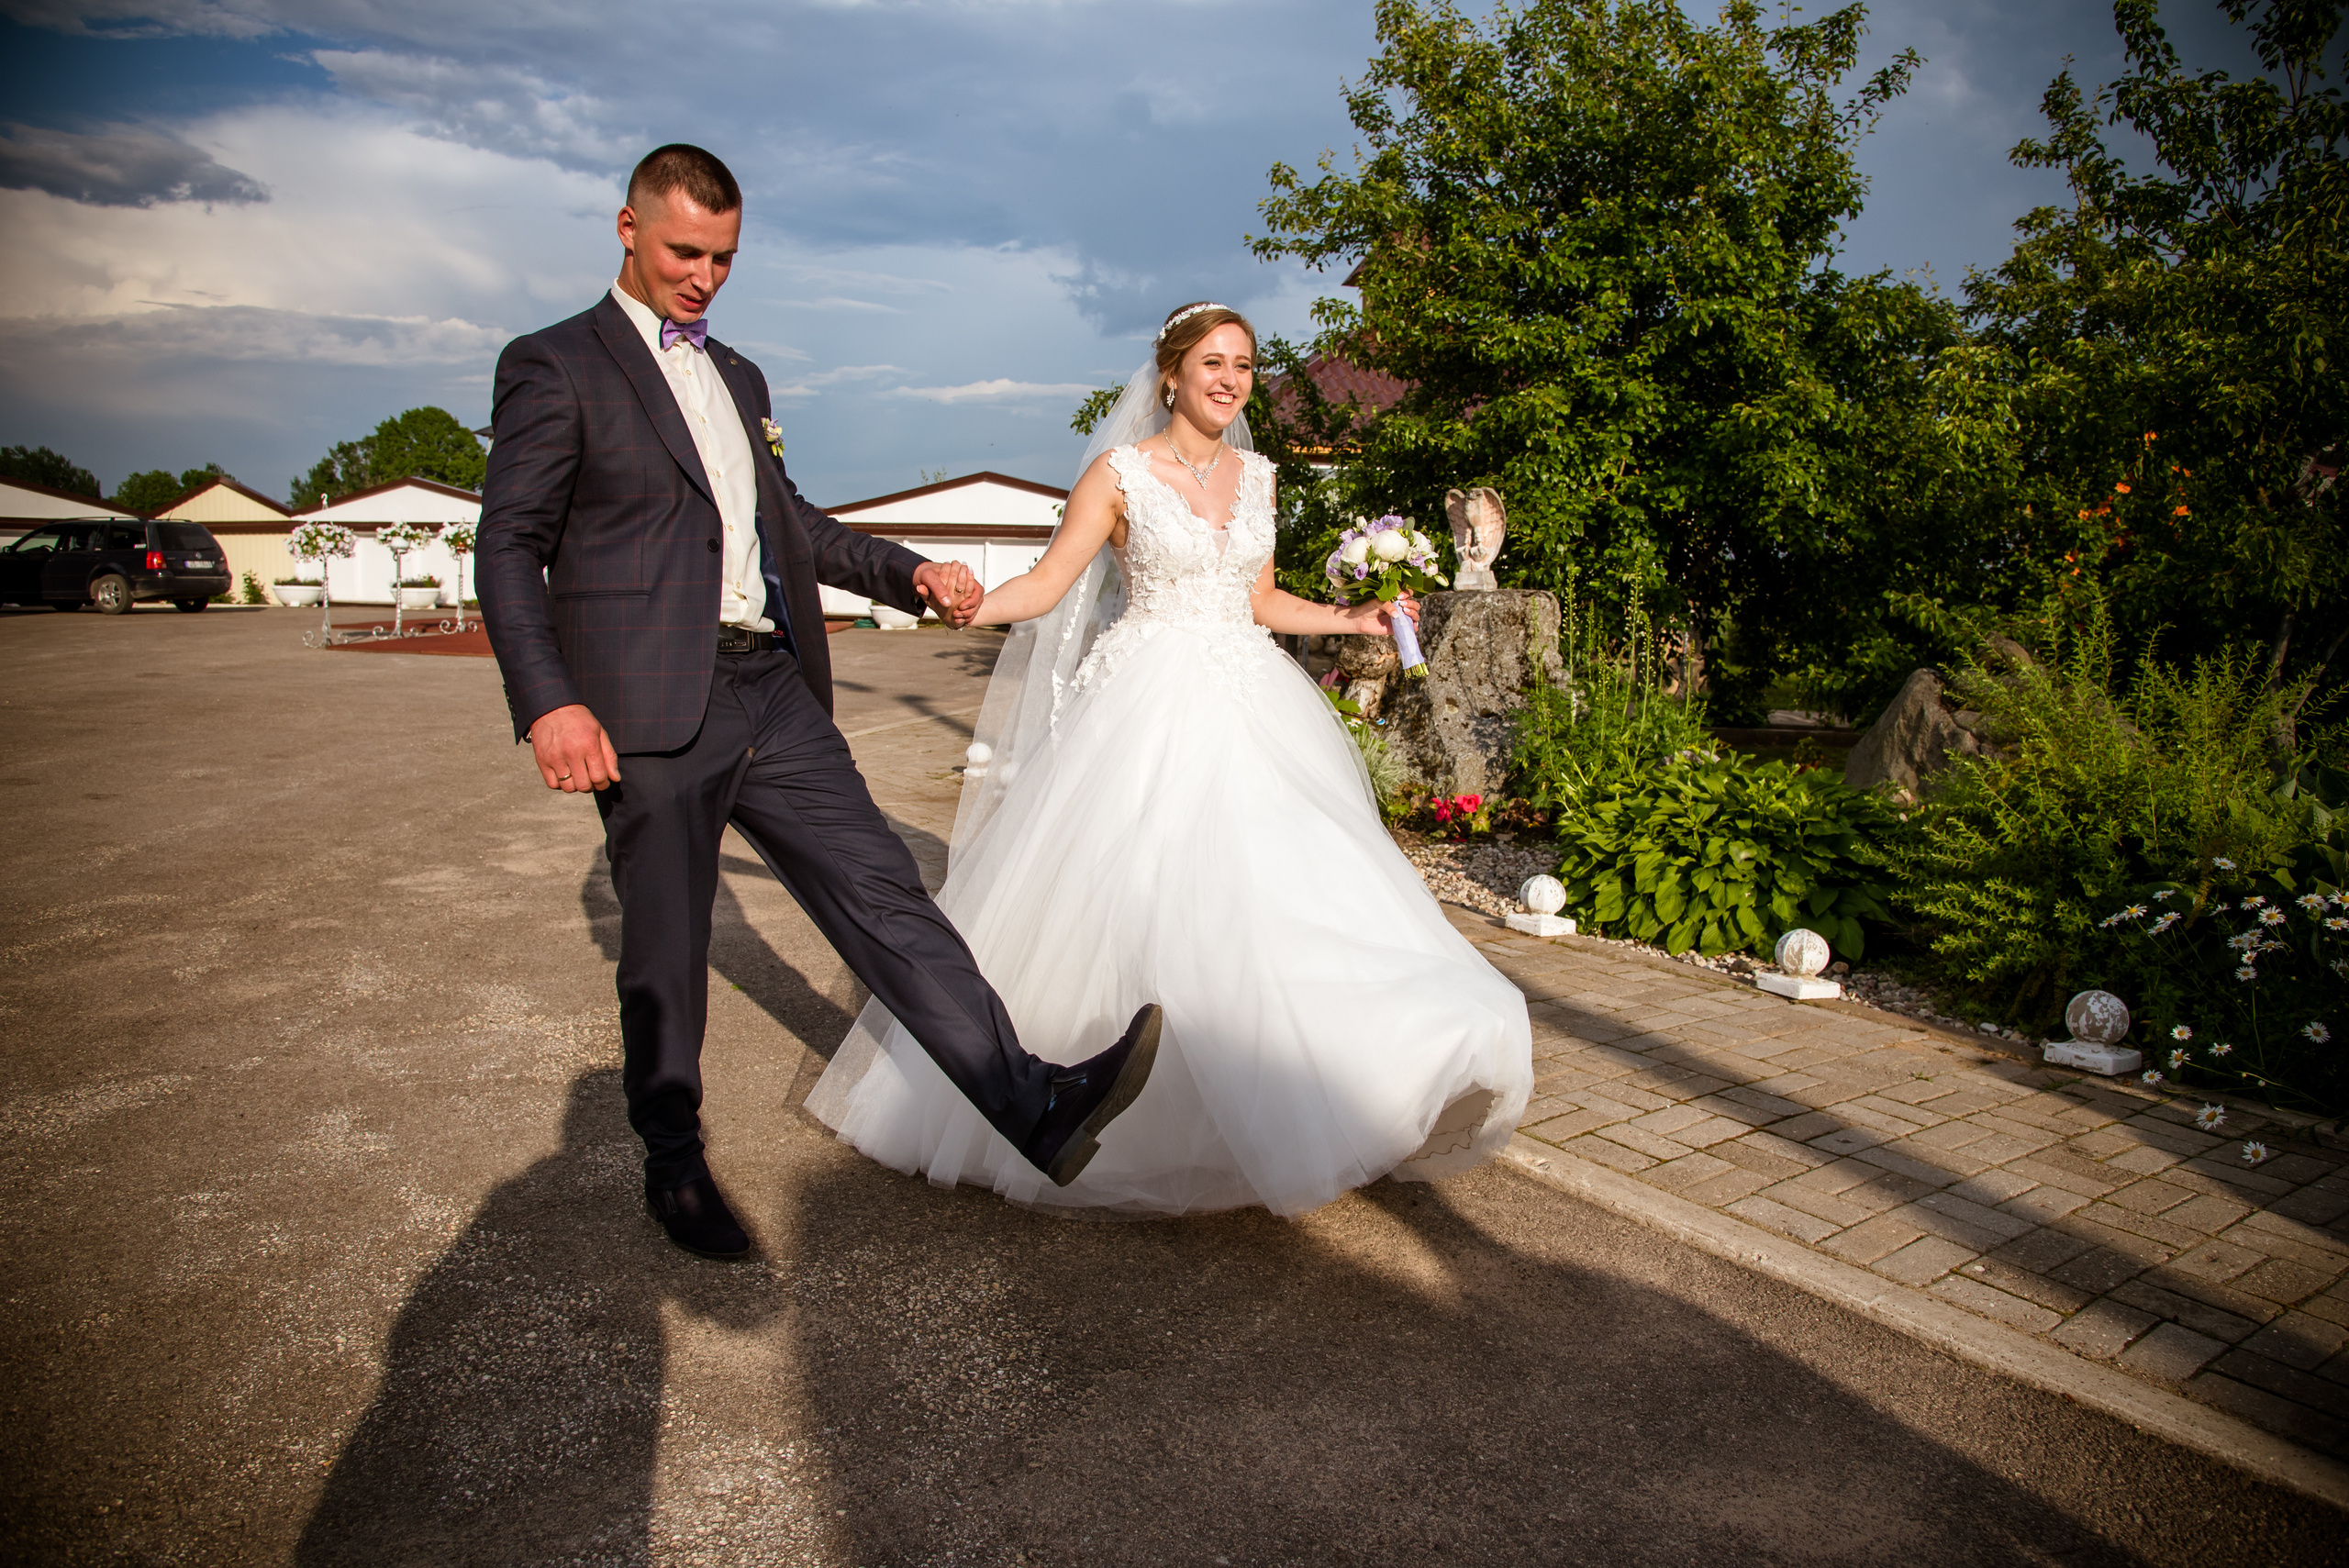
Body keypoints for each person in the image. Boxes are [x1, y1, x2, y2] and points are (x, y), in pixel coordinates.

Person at [477, 144, 1163, 1260]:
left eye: (724, 258)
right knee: (665, 943)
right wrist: (548, 701)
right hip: (647, 710)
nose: (703, 275)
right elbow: (506, 544)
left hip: (769, 687)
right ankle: (673, 1162)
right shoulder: (553, 365)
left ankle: (1031, 1100)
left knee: (888, 894)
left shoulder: (739, 378)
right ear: (627, 230)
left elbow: (792, 526)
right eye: (684, 251)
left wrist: (912, 574)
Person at [807, 303, 1533, 1217]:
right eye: (1211, 363)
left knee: (1283, 900)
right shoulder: (1117, 475)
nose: (1229, 379)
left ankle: (1318, 1093)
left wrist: (1349, 617)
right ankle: (1101, 1104)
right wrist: (962, 603)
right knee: (1146, 902)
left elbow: (1259, 599)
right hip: (1146, 702)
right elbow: (1044, 585)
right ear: (1170, 376)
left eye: (1243, 365)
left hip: (1254, 702)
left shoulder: (1260, 476)